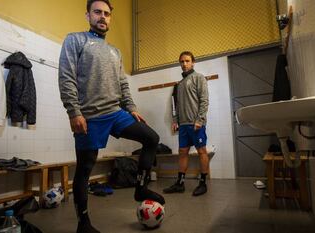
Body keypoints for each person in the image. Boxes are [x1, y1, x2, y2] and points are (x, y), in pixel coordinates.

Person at [58, 1, 165, 232]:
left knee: (151, 138)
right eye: (97, 12)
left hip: (116, 112)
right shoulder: (75, 40)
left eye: (107, 14)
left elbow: (123, 83)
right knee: (85, 169)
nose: (102, 17)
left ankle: (141, 187)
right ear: (88, 15)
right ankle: (83, 223)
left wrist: (131, 107)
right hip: (90, 115)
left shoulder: (115, 51)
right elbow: (66, 77)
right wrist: (73, 112)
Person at [163, 51, 210, 196]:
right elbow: (175, 105)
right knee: (182, 152)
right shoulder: (179, 84)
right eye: (182, 61)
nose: (184, 64)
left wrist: (200, 120)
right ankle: (180, 183)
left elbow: (204, 100)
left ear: (193, 62)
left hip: (196, 124)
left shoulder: (199, 78)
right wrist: (175, 121)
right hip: (183, 125)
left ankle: (203, 183)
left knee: (201, 151)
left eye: (187, 61)